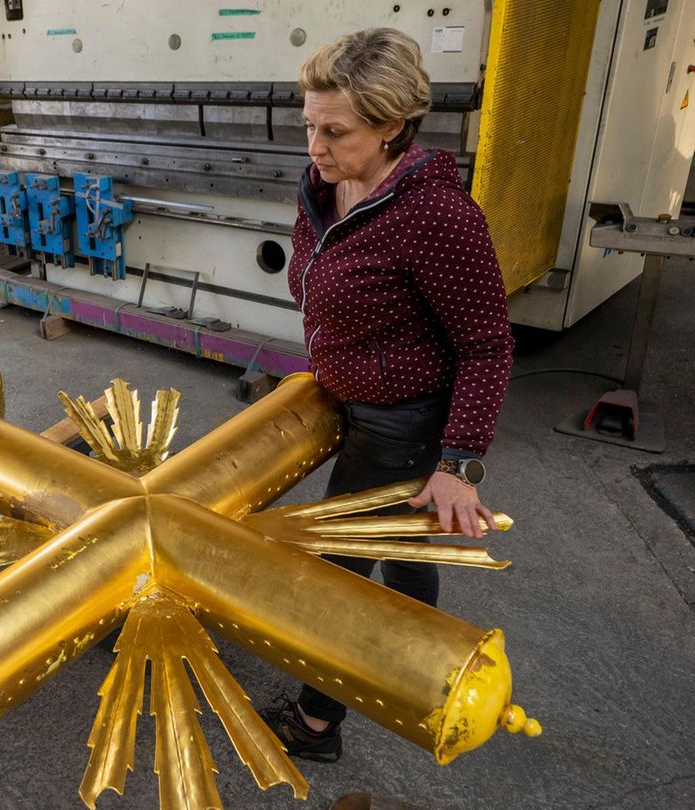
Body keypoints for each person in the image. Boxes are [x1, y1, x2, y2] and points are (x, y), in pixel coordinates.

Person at [260, 28, 515, 762]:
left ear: (393, 127)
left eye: (335, 131)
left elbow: (487, 346)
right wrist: (327, 365)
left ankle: (314, 724)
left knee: (336, 575)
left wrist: (458, 463)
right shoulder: (324, 185)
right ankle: (422, 673)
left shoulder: (435, 217)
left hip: (401, 422)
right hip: (354, 399)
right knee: (403, 550)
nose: (315, 145)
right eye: (309, 124)